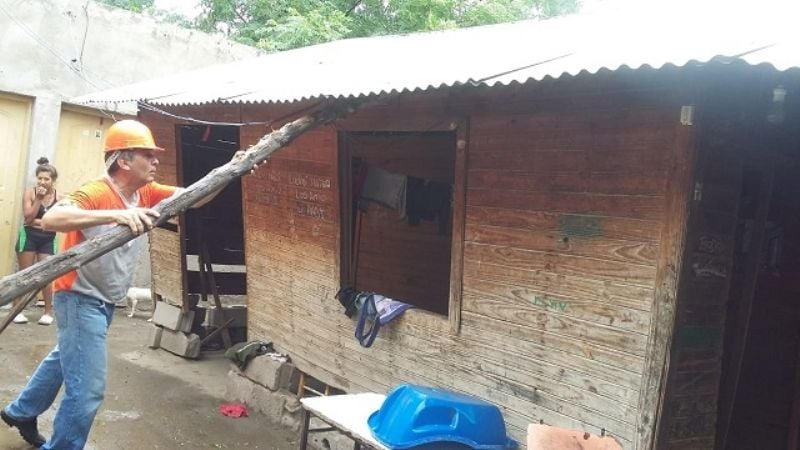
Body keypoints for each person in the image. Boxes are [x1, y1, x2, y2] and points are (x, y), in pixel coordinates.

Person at [1, 119, 258, 449]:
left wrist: (233, 169)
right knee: (88, 390)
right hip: (79, 298)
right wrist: (115, 215)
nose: (155, 161)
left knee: (65, 358)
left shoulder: (145, 193)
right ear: (123, 160)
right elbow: (52, 219)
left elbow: (194, 198)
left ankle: (21, 411)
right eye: (147, 155)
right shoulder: (97, 191)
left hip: (103, 300)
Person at [11, 157, 63, 325]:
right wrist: (39, 199)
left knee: (46, 275)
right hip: (29, 237)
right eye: (40, 178)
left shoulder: (59, 197)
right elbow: (28, 218)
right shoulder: (30, 193)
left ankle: (48, 312)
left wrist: (42, 223)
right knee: (24, 274)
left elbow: (58, 222)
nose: (42, 181)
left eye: (46, 179)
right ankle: (16, 310)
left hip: (48, 239)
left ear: (53, 180)